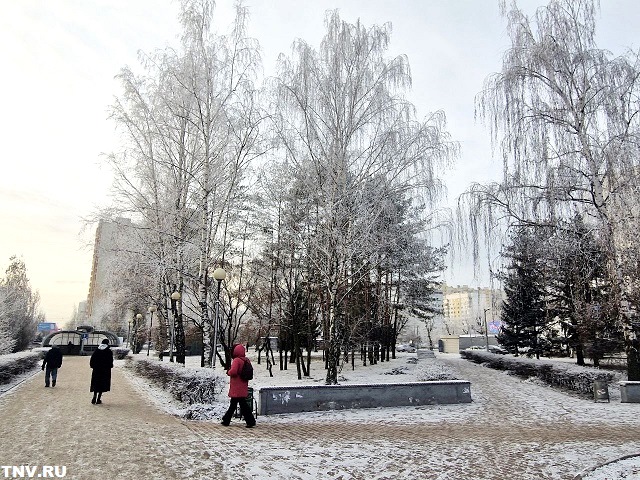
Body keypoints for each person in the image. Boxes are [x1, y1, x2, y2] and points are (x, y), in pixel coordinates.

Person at [221, 344, 256, 428]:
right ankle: (226, 420)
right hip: (243, 384)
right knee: (238, 404)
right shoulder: (246, 360)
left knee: (237, 405)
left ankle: (249, 421)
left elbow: (233, 372)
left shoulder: (237, 360)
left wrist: (228, 372)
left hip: (236, 386)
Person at [90, 339, 113, 405]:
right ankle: (98, 399)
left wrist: (93, 366)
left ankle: (94, 397)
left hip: (96, 370)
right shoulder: (108, 351)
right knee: (102, 384)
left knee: (96, 383)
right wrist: (109, 366)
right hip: (105, 370)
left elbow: (92, 359)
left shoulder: (97, 350)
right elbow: (110, 361)